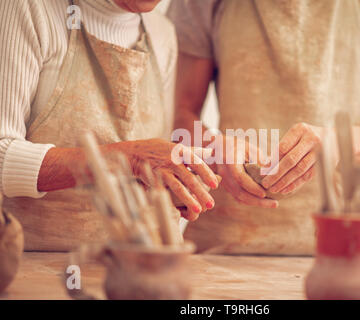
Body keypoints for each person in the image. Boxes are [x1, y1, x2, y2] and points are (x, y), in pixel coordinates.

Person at [167, 0, 360, 255]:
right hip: (227, 240)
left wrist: (339, 143)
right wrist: (213, 147)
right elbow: (179, 114)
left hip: (352, 243)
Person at [0, 0, 219, 251]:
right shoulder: (28, 8)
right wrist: (128, 159)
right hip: (38, 263)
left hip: (140, 266)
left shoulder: (162, 32)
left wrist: (174, 183)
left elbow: (155, 157)